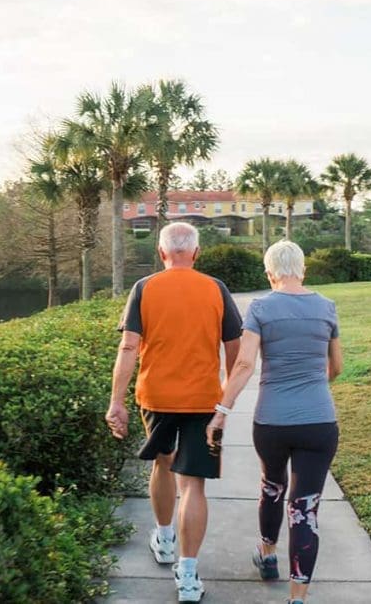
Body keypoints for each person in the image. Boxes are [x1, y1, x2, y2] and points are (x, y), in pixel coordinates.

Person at [106, 222, 243, 603]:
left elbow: (128, 348)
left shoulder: (144, 288)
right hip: (204, 401)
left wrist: (116, 400)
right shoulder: (216, 289)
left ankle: (164, 539)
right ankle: (187, 576)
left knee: (163, 464)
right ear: (196, 253)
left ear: (162, 253)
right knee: (193, 484)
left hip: (156, 397)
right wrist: (227, 401)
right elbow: (235, 348)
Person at [206, 240, 343, 604]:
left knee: (272, 486)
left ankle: (267, 557)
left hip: (272, 422)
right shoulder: (326, 307)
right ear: (303, 270)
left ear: (270, 273)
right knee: (305, 507)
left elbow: (245, 364)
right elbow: (337, 368)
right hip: (319, 422)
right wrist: (312, 387)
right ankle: (297, 598)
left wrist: (222, 410)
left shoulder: (262, 307)